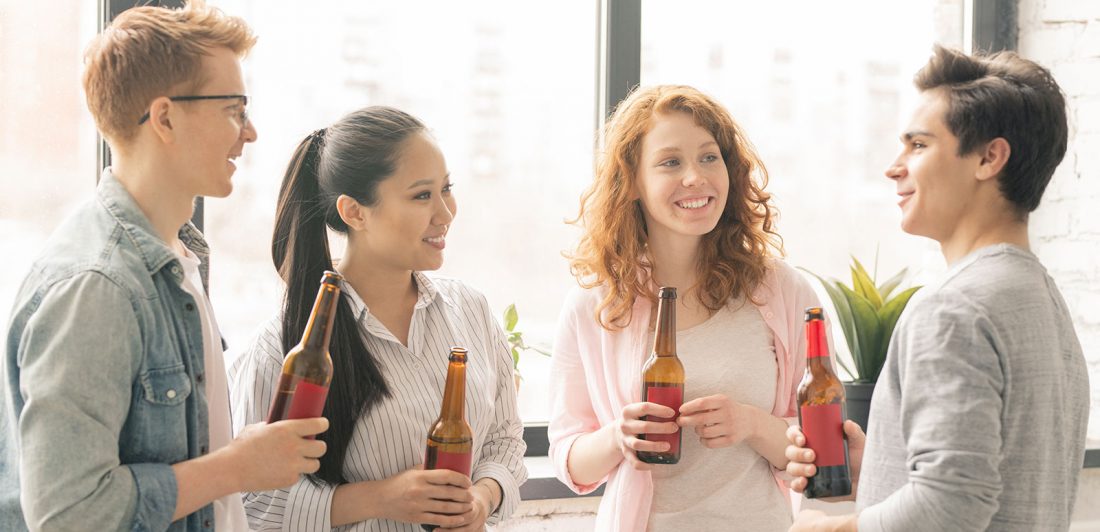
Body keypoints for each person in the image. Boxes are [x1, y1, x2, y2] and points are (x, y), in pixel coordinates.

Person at [0, 2, 329, 531]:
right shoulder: (97, 286)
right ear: (166, 117)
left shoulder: (181, 256)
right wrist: (238, 467)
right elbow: (68, 515)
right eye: (234, 110)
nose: (250, 133)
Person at [784, 45, 1090, 532]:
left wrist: (833, 529)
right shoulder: (1041, 299)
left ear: (990, 157)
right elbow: (992, 483)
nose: (894, 166)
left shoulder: (954, 308)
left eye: (919, 145)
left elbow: (952, 505)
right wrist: (882, 463)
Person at [229, 106, 527, 531]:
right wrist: (381, 498)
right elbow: (252, 506)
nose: (445, 213)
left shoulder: (471, 309)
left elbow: (504, 442)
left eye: (447, 188)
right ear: (354, 212)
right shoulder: (283, 345)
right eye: (422, 195)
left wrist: (481, 498)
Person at [547, 84, 821, 531]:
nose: (695, 177)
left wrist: (751, 423)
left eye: (709, 157)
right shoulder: (594, 306)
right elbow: (570, 461)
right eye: (670, 162)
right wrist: (620, 436)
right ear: (632, 182)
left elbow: (821, 450)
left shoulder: (782, 290)